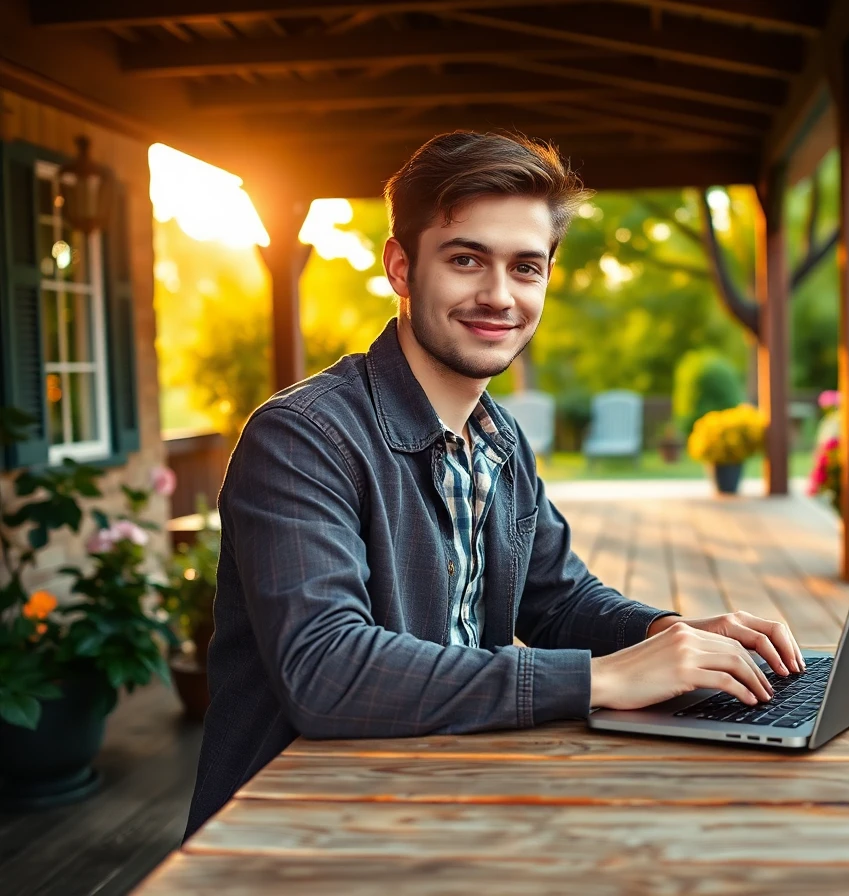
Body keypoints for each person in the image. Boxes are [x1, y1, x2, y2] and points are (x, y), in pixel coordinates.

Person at [183, 131, 804, 839]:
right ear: (400, 266)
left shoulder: (498, 439)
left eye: (526, 267)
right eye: (466, 259)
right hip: (299, 835)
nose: (499, 296)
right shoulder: (302, 438)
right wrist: (600, 681)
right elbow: (327, 670)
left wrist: (669, 634)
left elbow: (558, 598)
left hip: (444, 802)